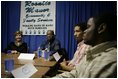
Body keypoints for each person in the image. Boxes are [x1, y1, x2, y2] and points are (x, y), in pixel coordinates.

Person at [54, 13, 117, 78]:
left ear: (101, 28)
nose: (85, 31)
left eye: (88, 27)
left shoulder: (111, 62)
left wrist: (64, 66)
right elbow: (76, 73)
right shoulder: (92, 53)